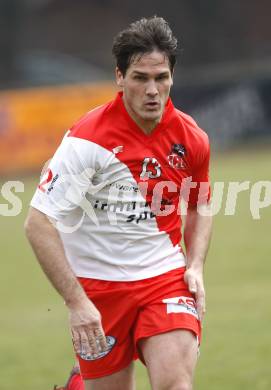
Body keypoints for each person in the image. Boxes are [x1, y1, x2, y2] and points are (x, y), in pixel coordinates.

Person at [25, 16, 212, 390]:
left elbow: (199, 204)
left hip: (164, 280)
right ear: (120, 77)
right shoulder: (86, 141)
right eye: (141, 78)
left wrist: (195, 265)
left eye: (161, 77)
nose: (153, 90)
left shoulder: (192, 138)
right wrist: (76, 303)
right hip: (99, 291)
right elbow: (37, 223)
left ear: (173, 76)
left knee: (176, 384)